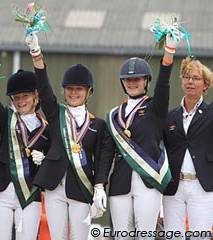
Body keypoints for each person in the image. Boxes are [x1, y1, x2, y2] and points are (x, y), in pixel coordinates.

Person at [92, 34, 180, 240]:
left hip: (148, 182)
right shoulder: (113, 115)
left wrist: (168, 55)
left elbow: (164, 85)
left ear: (146, 81)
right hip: (120, 183)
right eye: (128, 79)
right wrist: (100, 185)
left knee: (146, 236)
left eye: (137, 78)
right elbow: (107, 153)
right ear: (123, 83)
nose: (132, 82)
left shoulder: (155, 107)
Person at [25, 33, 111, 240]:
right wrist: (36, 54)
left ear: (88, 92)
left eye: (79, 89)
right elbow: (44, 89)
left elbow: (102, 158)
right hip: (55, 186)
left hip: (81, 187)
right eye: (69, 89)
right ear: (64, 91)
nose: (73, 93)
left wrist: (99, 186)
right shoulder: (56, 114)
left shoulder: (98, 125)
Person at [0, 54, 50, 240]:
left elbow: (53, 156)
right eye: (16, 97)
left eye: (25, 96)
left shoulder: (46, 128)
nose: (20, 101)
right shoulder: (7, 118)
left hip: (30, 193)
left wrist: (44, 159)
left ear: (36, 96)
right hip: (1, 190)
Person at [163, 57, 213, 239]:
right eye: (186, 77)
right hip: (174, 188)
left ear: (206, 85)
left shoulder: (210, 113)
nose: (190, 81)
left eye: (196, 78)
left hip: (202, 187)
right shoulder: (170, 116)